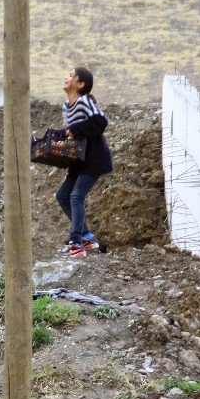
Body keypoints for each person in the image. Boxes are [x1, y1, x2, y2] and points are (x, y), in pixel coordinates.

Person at [56, 66, 113, 258]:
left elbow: (101, 121)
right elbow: (73, 133)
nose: (66, 77)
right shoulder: (67, 105)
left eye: (71, 75)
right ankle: (87, 236)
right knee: (63, 195)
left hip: (94, 158)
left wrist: (76, 129)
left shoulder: (84, 101)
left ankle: (76, 244)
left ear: (80, 84)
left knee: (76, 196)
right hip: (79, 160)